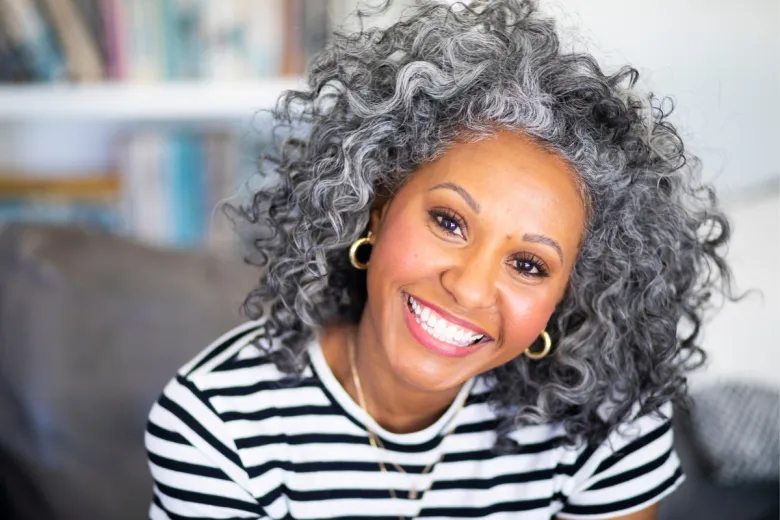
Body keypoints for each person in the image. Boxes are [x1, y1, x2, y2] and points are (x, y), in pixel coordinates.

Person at [145, 1, 732, 518]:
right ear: (377, 208)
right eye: (449, 222)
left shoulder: (607, 420)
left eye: (529, 265)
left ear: (570, 294)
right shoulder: (217, 425)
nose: (469, 288)